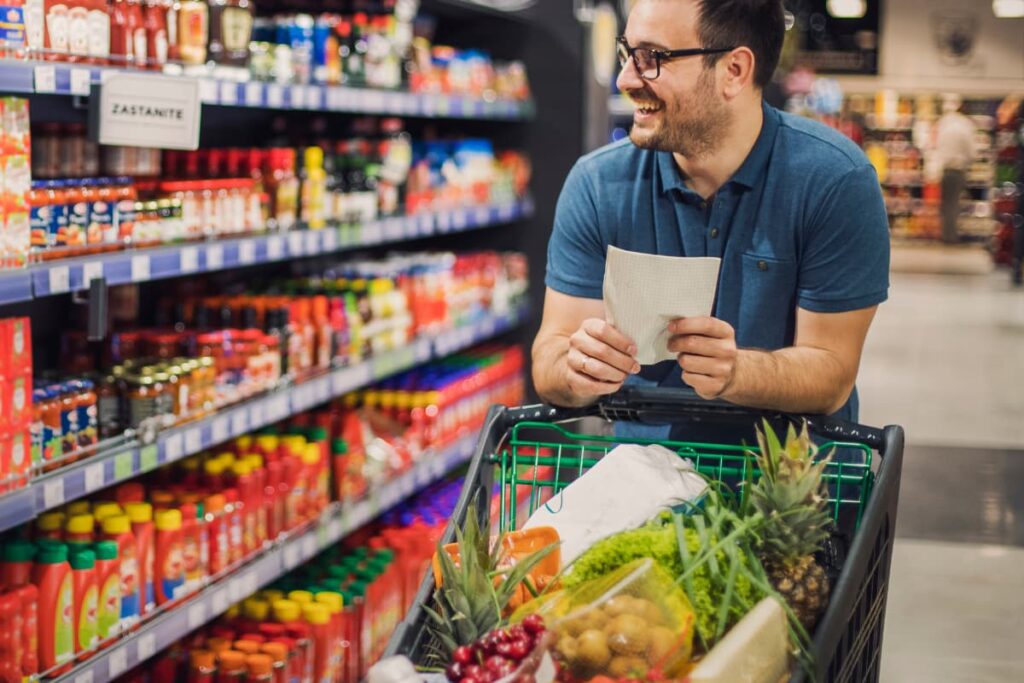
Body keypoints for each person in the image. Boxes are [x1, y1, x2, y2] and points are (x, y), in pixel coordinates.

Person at [532, 0, 890, 438]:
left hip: (793, 488)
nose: (626, 79)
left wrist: (738, 371)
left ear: (734, 71)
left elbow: (832, 372)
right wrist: (576, 368)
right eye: (628, 54)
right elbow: (549, 359)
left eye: (653, 58)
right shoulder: (597, 184)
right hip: (643, 488)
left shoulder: (834, 181)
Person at [934, 94, 977, 244]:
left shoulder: (943, 123)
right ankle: (951, 237)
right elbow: (972, 151)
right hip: (958, 169)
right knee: (954, 203)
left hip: (945, 169)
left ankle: (946, 234)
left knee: (946, 204)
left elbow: (937, 147)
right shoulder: (965, 124)